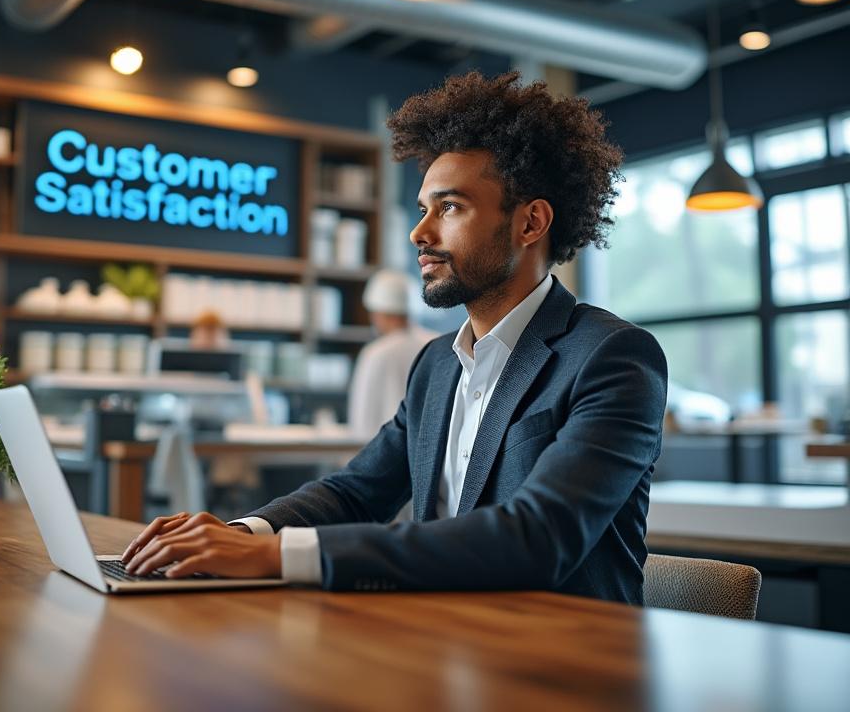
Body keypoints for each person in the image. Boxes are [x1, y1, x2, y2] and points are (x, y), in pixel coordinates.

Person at [120, 71, 668, 604]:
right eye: (423, 208)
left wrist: (280, 556)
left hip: (567, 668)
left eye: (449, 207)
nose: (419, 233)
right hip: (444, 643)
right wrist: (246, 534)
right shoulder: (437, 364)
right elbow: (356, 491)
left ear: (530, 224)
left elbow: (537, 538)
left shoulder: (611, 357)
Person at [347, 269, 437, 441]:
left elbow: (361, 422)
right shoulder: (439, 344)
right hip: (430, 454)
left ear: (380, 313)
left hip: (387, 454)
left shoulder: (376, 353)